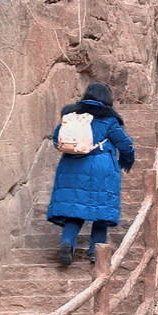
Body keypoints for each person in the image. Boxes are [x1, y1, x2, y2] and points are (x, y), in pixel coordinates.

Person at [47, 82, 135, 267]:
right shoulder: (109, 120)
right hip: (101, 167)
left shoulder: (71, 116)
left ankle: (67, 243)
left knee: (74, 211)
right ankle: (96, 252)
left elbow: (57, 139)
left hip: (71, 166)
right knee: (101, 212)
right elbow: (125, 144)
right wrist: (126, 161)